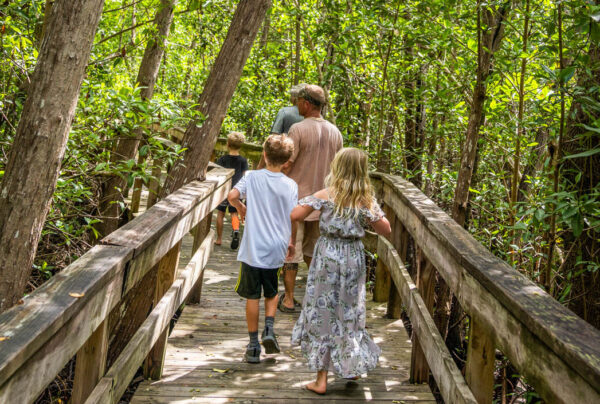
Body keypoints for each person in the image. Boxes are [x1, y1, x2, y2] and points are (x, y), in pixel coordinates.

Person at [290, 148, 391, 394]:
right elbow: (385, 229)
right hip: (353, 258)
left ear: (337, 168)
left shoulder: (326, 194)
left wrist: (315, 202)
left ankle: (321, 379)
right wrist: (368, 212)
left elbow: (296, 214)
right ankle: (351, 367)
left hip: (326, 258)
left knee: (323, 311)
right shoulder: (364, 199)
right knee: (349, 311)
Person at [228, 135, 297, 364]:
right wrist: (291, 242)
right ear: (287, 161)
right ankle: (269, 328)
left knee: (251, 295)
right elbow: (293, 216)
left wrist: (241, 208)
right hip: (276, 246)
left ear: (264, 155)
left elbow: (232, 196)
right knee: (271, 291)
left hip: (252, 247)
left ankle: (253, 345)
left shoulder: (252, 177)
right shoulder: (291, 185)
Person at [278, 84, 343, 313]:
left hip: (297, 202)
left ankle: (287, 299)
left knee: (291, 252)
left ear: (306, 103)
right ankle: (318, 297)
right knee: (314, 253)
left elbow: (287, 163)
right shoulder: (336, 132)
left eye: (299, 101)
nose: (296, 105)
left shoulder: (297, 129)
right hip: (324, 203)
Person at [215, 132, 248, 249]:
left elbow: (218, 174)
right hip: (236, 191)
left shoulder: (222, 159)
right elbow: (245, 176)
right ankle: (235, 230)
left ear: (227, 144)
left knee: (220, 213)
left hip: (224, 191)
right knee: (234, 213)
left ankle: (219, 239)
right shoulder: (243, 161)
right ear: (240, 146)